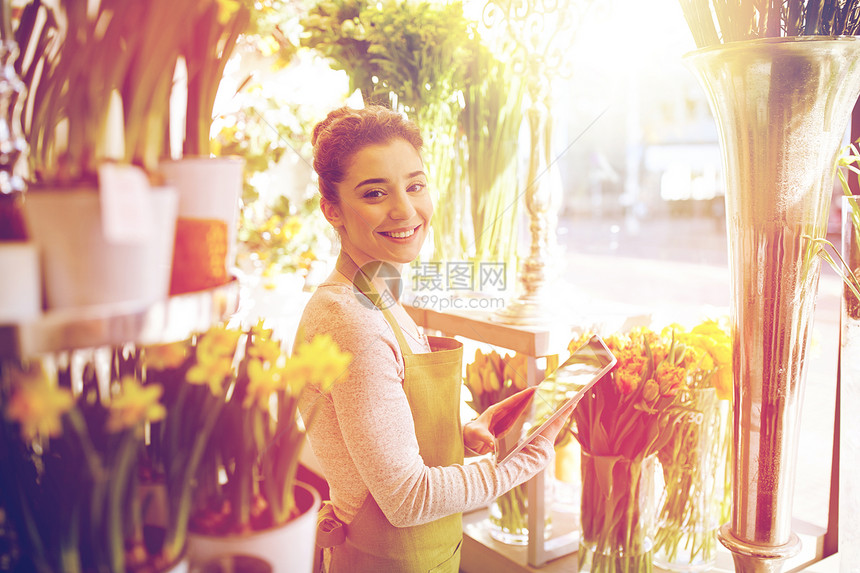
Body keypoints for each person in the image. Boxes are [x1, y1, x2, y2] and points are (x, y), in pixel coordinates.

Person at [296, 104, 572, 573]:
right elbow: (405, 498)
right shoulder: (350, 321)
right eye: (374, 193)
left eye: (415, 185)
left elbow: (382, 430)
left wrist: (462, 433)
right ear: (332, 210)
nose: (405, 210)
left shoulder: (377, 292)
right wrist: (522, 462)